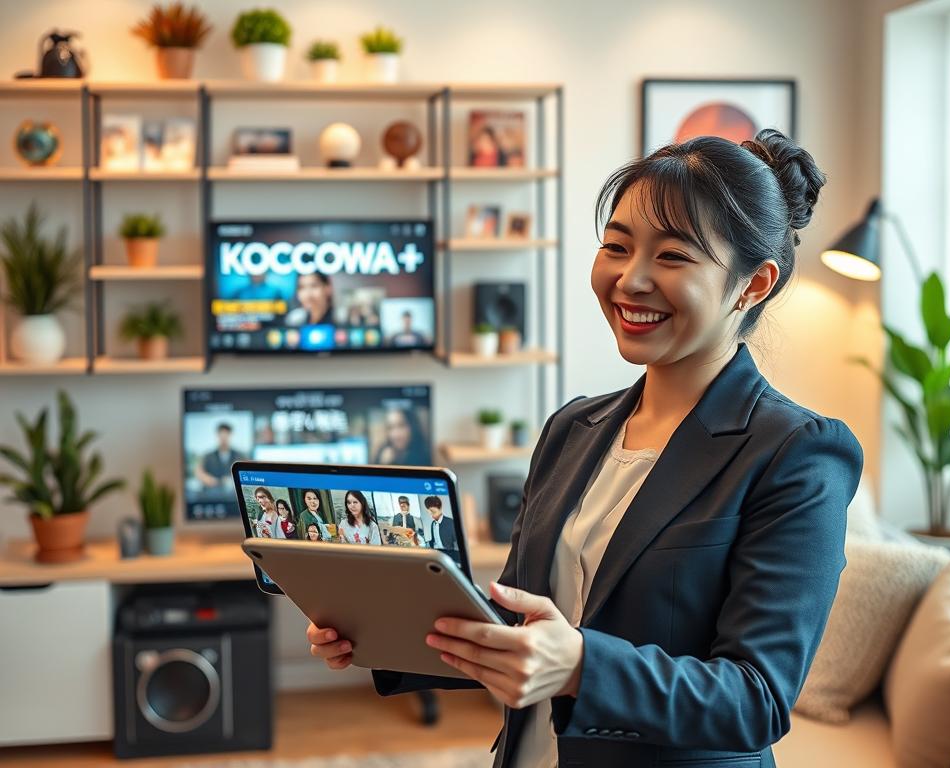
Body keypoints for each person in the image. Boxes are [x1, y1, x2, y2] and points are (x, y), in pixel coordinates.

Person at [306, 130, 864, 766]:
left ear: (753, 284)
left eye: (674, 257)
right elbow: (523, 625)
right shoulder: (575, 428)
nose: (631, 280)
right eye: (616, 247)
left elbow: (754, 699)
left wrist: (579, 664)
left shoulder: (797, 453)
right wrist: (383, 630)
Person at [194, 422, 244, 489]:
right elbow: (199, 472)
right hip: (210, 494)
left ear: (230, 435)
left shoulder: (239, 456)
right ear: (217, 436)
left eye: (226, 435)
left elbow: (246, 474)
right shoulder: (208, 456)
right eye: (221, 435)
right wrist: (207, 479)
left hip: (232, 495)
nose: (223, 438)